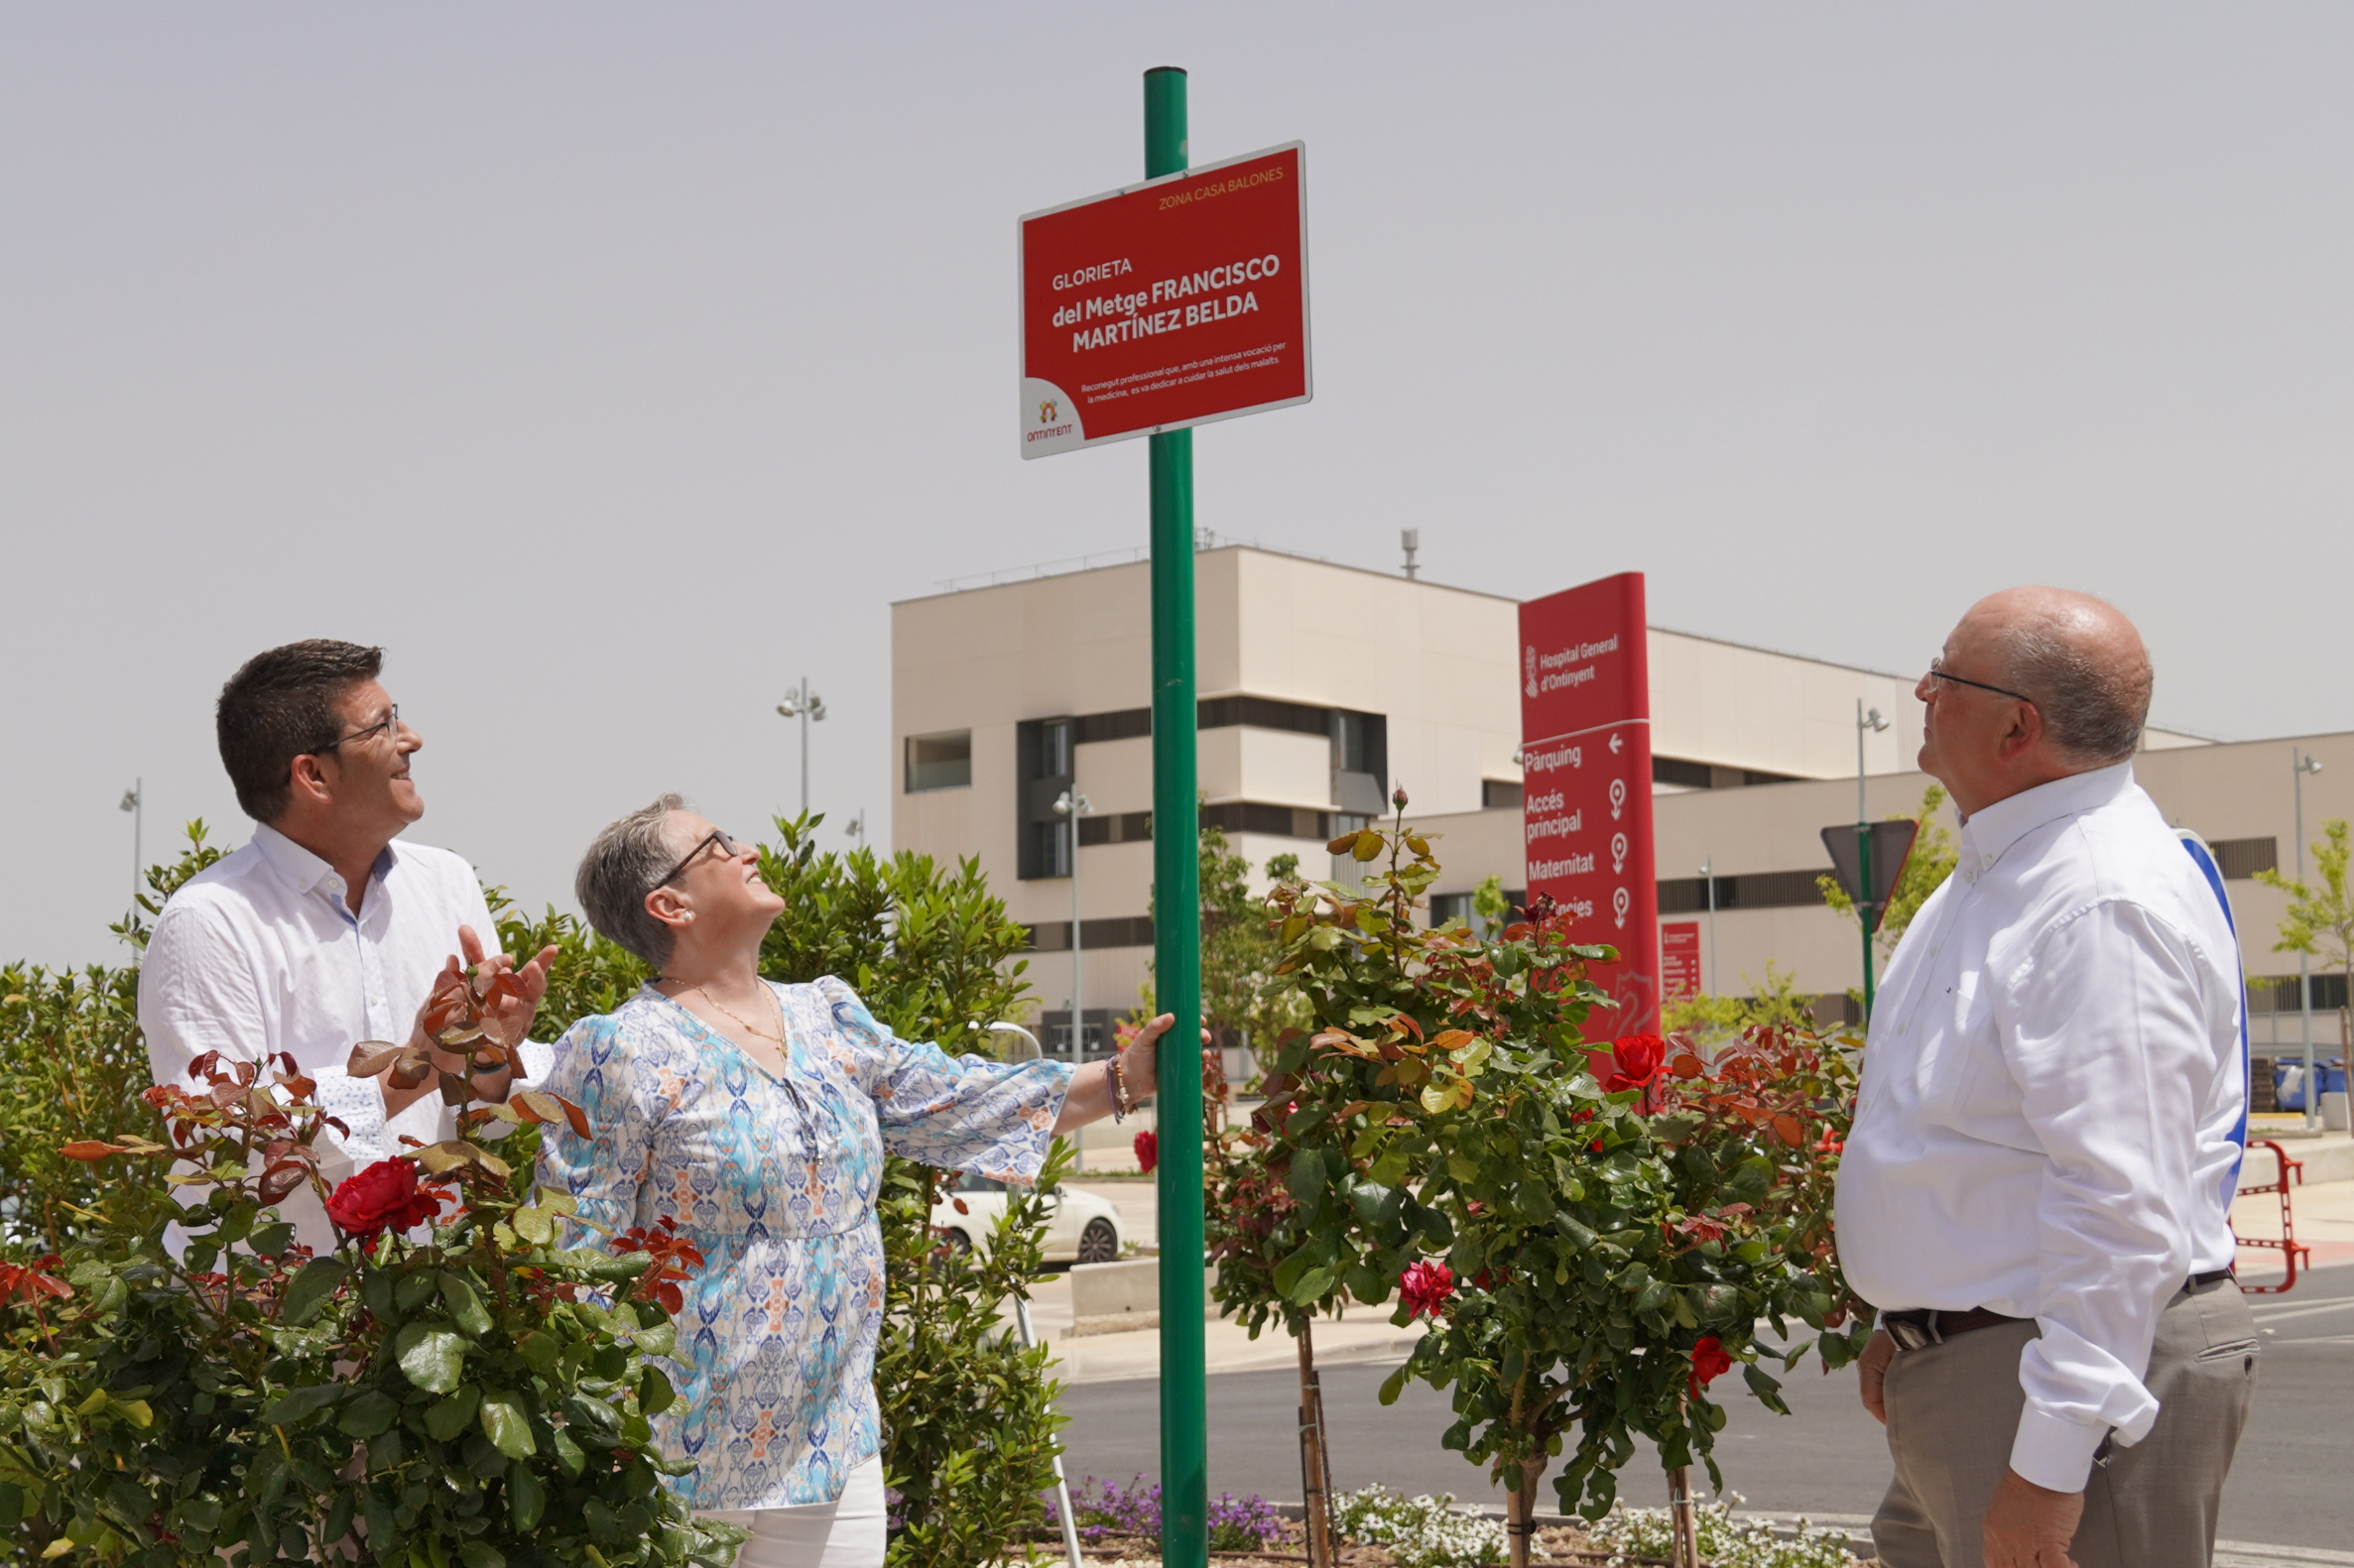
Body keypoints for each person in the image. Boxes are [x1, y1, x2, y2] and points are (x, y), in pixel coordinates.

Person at [540, 795, 1174, 1568]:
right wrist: (597, 1429)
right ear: (668, 904)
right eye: (717, 844)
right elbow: (578, 1248)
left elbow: (955, 1100)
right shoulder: (615, 1048)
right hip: (681, 1447)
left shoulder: (828, 1015)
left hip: (831, 1440)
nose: (748, 849)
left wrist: (1121, 1078)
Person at [1834, 587, 2256, 1568]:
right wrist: (1918, 1320)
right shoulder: (2003, 872)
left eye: (1946, 675)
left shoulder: (2097, 902)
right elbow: (1965, 1138)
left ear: (2018, 726)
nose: (1922, 691)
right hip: (1989, 1365)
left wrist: (2051, 1463)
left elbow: (2122, 1206)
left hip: (2059, 1385)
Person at [140, 640, 559, 1255]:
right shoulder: (208, 921)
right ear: (312, 774)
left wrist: (490, 1057)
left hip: (431, 1296)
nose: (411, 739)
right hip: (275, 1320)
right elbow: (220, 1142)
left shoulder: (447, 882)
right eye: (382, 726)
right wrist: (414, 1066)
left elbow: (476, 1120)